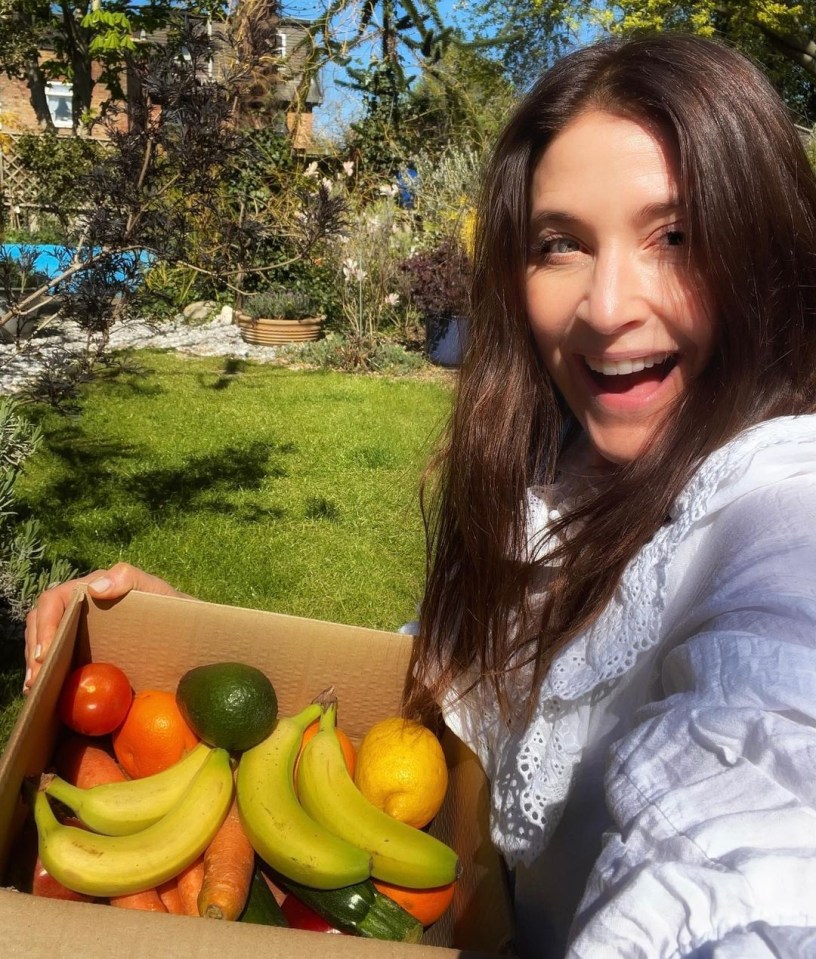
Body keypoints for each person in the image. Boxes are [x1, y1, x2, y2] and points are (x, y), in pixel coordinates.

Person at [24, 33, 816, 958]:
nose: (606, 307)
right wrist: (200, 638)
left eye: (674, 236)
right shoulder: (563, 471)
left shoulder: (777, 518)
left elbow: (758, 836)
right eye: (559, 244)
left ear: (766, 246)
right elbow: (451, 678)